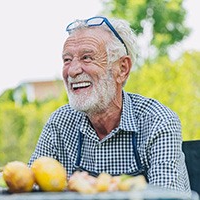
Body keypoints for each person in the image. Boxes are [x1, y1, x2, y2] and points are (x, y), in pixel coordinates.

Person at [28, 16, 190, 193]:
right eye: (67, 60)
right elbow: (29, 187)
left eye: (87, 57)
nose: (72, 70)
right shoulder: (60, 123)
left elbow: (165, 198)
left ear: (122, 69)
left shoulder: (158, 122)